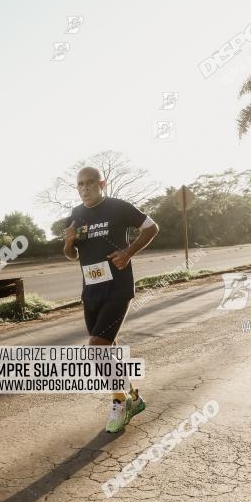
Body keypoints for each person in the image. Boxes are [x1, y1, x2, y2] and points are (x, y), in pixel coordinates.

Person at [64, 167, 159, 432]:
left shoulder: (118, 207)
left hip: (118, 288)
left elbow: (152, 228)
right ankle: (135, 398)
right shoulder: (76, 214)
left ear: (101, 184)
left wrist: (128, 253)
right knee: (106, 349)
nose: (84, 188)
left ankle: (119, 402)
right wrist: (69, 242)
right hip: (91, 291)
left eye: (89, 183)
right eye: (80, 184)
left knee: (96, 348)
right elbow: (71, 254)